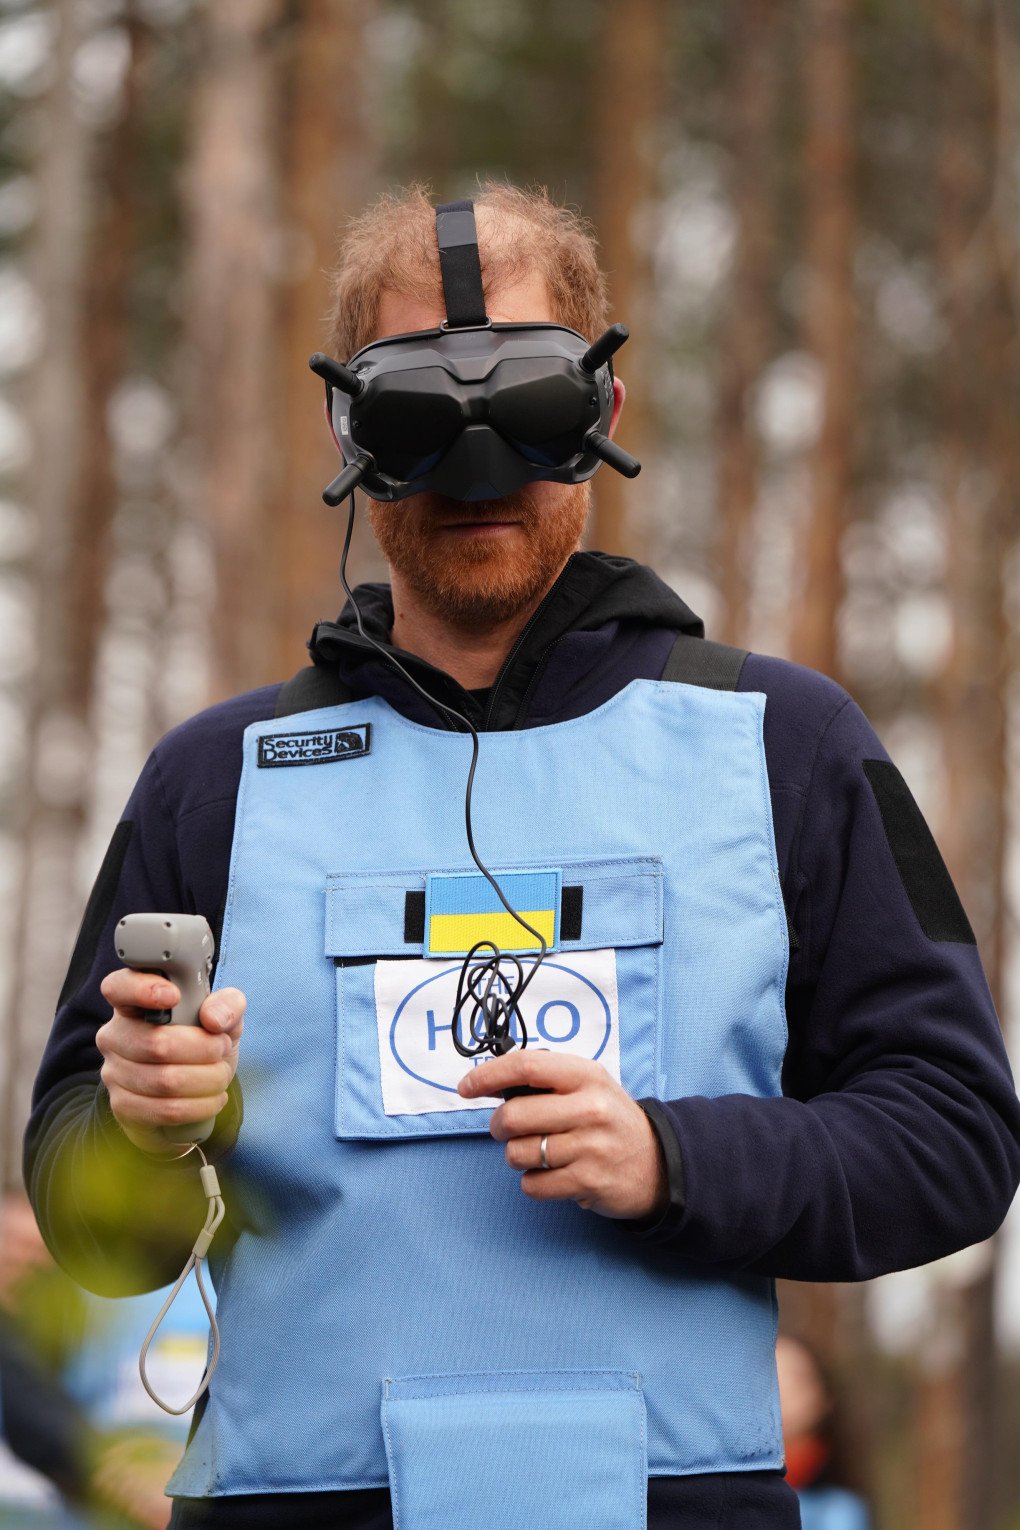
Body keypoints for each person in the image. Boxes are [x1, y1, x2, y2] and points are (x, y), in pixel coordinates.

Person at [23, 181, 1020, 1530]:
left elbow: (956, 1135)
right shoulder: (216, 780)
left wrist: (674, 1157)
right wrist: (147, 1131)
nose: (475, 465)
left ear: (602, 411)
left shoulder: (786, 746)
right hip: (295, 1499)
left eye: (532, 406)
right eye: (418, 415)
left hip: (678, 1498)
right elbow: (90, 1225)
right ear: (350, 427)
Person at [776, 1335, 871, 1530]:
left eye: (794, 1379)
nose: (781, 1391)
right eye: (770, 1377)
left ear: (825, 1399)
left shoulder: (840, 1511)